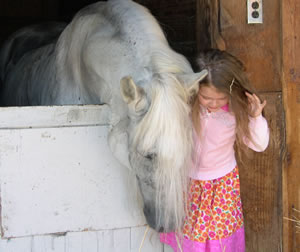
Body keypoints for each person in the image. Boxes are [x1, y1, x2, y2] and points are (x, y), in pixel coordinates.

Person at [160, 49, 270, 252]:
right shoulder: (186, 106)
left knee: (220, 240)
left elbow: (259, 144)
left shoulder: (235, 113)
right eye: (206, 97)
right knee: (192, 238)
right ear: (195, 90)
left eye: (221, 98)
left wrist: (255, 118)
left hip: (222, 186)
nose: (214, 104)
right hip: (189, 183)